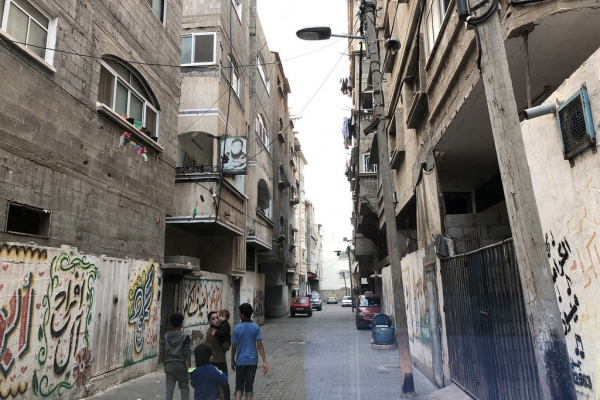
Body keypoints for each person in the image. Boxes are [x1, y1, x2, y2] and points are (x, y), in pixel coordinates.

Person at [231, 303, 268, 400]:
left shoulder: (237, 328)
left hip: (240, 361)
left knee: (239, 386)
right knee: (249, 387)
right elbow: (259, 344)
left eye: (239, 313)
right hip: (252, 361)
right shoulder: (256, 327)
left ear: (242, 315)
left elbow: (234, 345)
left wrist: (232, 359)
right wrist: (264, 361)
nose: (239, 315)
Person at [160, 313, 191, 400]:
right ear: (181, 323)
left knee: (169, 390)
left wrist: (165, 364)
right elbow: (187, 354)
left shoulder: (166, 336)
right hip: (181, 365)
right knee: (184, 388)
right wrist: (189, 370)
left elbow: (162, 351)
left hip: (169, 365)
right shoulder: (184, 336)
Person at [205, 311, 230, 400]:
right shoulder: (216, 333)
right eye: (213, 319)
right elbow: (226, 347)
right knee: (224, 385)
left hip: (211, 361)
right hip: (220, 361)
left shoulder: (209, 331)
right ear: (209, 321)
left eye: (217, 318)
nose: (216, 320)